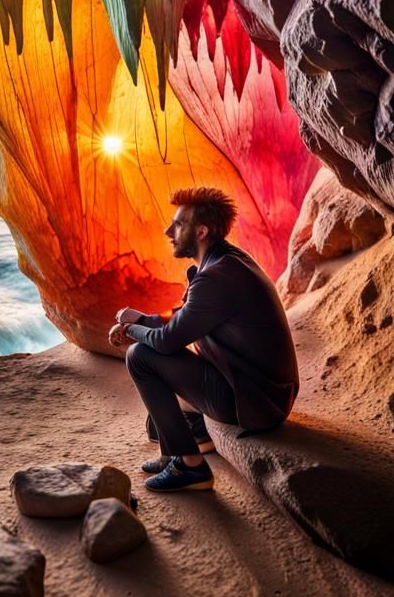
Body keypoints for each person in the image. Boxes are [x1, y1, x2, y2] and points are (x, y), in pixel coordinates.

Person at [109, 187, 299, 493]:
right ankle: (188, 439)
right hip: (262, 392)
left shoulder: (215, 278)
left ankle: (190, 466)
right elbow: (185, 320)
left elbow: (168, 341)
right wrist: (141, 320)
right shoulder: (226, 261)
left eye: (178, 224)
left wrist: (130, 330)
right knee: (152, 352)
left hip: (254, 402)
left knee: (140, 356)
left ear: (201, 231)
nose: (168, 231)